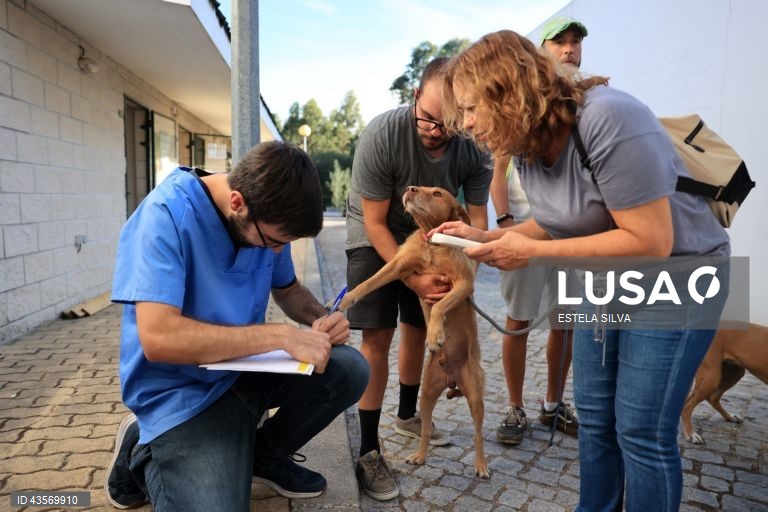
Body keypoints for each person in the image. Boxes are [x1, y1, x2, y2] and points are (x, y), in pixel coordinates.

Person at [433, 31, 730, 511]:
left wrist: (529, 255)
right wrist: (486, 239)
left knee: (641, 430)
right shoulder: (525, 145)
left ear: (508, 90)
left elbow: (652, 241)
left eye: (471, 109)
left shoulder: (609, 117)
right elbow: (559, 221)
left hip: (680, 275)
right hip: (605, 277)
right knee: (595, 419)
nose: (467, 125)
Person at [106, 141, 369, 511]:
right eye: (276, 241)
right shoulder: (163, 216)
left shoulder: (264, 217)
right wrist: (280, 335)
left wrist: (319, 316)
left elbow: (289, 289)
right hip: (179, 393)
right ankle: (140, 446)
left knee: (349, 369)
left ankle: (264, 457)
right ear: (237, 204)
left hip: (240, 373)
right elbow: (159, 337)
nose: (278, 252)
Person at [345, 57, 492, 500]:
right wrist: (414, 280)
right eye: (428, 118)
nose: (437, 128)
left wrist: (464, 270)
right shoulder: (383, 135)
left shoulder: (471, 147)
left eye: (448, 120)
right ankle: (370, 450)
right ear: (414, 99)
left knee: (418, 328)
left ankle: (408, 416)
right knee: (377, 334)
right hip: (377, 233)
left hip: (440, 237)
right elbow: (374, 223)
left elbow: (479, 223)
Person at [490, 16, 588, 445]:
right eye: (559, 42)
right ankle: (515, 407)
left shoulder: (585, 99)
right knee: (518, 321)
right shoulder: (521, 103)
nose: (569, 50)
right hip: (526, 233)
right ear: (540, 51)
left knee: (564, 322)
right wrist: (506, 223)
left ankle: (552, 405)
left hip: (569, 234)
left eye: (575, 42)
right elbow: (497, 170)